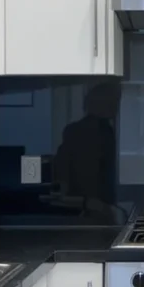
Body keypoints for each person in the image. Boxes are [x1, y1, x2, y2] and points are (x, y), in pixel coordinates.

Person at [53, 81, 121, 221]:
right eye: (113, 101)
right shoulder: (92, 131)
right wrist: (94, 204)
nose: (117, 106)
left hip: (92, 206)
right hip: (90, 208)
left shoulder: (101, 130)